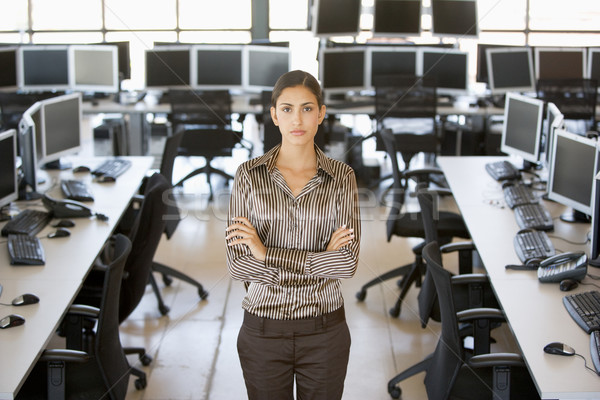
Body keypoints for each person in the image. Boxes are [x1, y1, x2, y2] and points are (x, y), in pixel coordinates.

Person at [225, 70, 361, 400]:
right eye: (286, 109)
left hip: (325, 331)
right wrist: (319, 261)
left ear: (321, 113)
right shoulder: (249, 176)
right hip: (262, 330)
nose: (296, 119)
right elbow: (239, 267)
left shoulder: (342, 177)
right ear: (274, 115)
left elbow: (345, 266)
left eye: (307, 108)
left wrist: (266, 253)